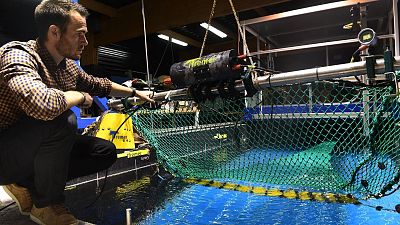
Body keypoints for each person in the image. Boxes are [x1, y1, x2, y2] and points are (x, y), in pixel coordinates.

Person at [0, 0, 154, 224]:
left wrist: (133, 92)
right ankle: (47, 205)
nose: (85, 41)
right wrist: (80, 96)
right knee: (64, 119)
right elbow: (43, 104)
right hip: (5, 150)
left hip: (31, 147)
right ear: (54, 32)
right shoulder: (18, 55)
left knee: (104, 151)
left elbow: (99, 84)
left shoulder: (67, 66)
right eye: (79, 34)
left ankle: (27, 184)